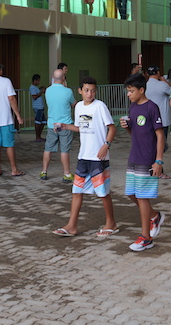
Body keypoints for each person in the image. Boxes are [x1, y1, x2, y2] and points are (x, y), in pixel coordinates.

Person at [52, 77, 117, 238]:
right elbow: (82, 127)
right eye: (87, 90)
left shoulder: (100, 106)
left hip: (98, 157)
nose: (90, 93)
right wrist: (65, 126)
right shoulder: (79, 107)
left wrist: (105, 145)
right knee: (76, 191)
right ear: (80, 91)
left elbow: (112, 128)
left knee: (103, 192)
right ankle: (72, 226)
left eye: (93, 90)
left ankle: (111, 223)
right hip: (83, 156)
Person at [121, 74, 165, 252]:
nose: (128, 94)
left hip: (147, 158)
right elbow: (136, 134)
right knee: (131, 194)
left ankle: (146, 238)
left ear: (141, 90)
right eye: (127, 91)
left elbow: (160, 135)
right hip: (134, 157)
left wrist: (158, 160)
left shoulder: (152, 108)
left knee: (142, 196)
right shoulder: (132, 107)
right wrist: (127, 128)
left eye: (131, 91)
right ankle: (155, 216)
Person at [41, 68, 76, 181]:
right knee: (64, 150)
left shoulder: (48, 91)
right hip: (65, 125)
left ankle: (44, 171)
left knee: (48, 148)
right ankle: (66, 174)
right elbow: (73, 103)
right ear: (63, 78)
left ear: (52, 78)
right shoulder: (68, 91)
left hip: (52, 124)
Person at [145, 66, 171, 174]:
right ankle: (158, 168)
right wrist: (165, 82)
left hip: (149, 118)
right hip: (162, 119)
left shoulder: (145, 85)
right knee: (161, 144)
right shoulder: (162, 85)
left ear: (147, 74)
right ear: (158, 73)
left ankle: (150, 166)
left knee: (151, 143)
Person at [29, 74, 46, 142]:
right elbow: (34, 96)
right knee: (38, 122)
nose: (39, 82)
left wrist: (40, 89)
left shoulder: (35, 87)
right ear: (35, 80)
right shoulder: (32, 87)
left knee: (43, 121)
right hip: (37, 107)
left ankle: (39, 136)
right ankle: (37, 136)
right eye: (38, 81)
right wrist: (41, 92)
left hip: (40, 107)